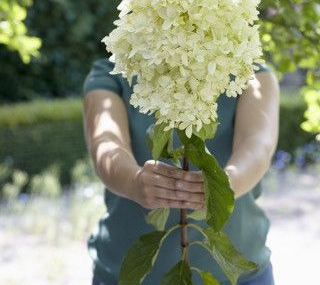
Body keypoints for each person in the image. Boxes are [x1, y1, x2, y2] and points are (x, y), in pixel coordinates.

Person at [82, 56, 279, 285]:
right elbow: (105, 144)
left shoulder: (250, 71)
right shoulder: (112, 71)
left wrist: (223, 186)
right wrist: (134, 182)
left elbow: (257, 146)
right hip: (125, 275)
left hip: (242, 277)